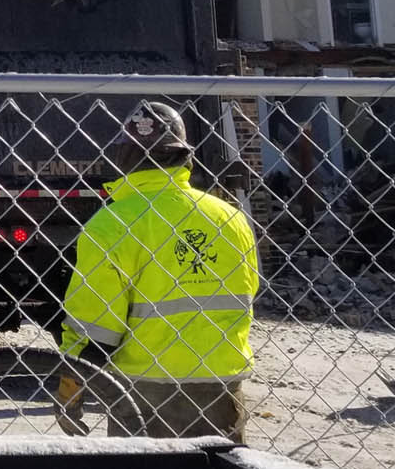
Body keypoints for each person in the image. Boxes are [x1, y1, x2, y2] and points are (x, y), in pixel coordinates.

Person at [56, 101, 259, 439]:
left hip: (143, 390)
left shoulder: (111, 224)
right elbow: (248, 290)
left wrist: (70, 389)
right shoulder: (230, 217)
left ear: (123, 157)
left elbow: (97, 329)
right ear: (184, 156)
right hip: (221, 383)